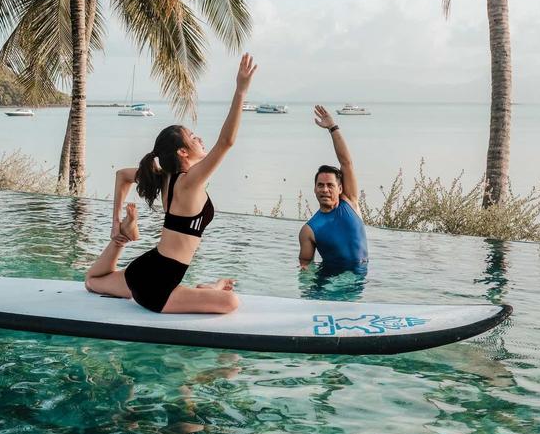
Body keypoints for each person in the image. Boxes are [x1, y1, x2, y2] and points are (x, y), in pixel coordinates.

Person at [84, 54, 258, 314]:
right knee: (230, 303)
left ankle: (122, 239)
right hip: (159, 286)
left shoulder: (163, 177)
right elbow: (226, 143)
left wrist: (115, 224)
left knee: (91, 281)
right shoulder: (189, 182)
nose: (198, 138)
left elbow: (122, 175)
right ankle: (207, 288)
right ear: (183, 153)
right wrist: (240, 92)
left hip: (145, 269)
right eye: (191, 136)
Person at [298, 105, 368, 271]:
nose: (325, 189)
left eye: (330, 185)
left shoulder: (350, 202)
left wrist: (332, 127)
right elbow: (305, 268)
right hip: (330, 283)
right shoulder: (308, 231)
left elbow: (346, 163)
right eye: (320, 185)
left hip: (360, 278)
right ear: (315, 189)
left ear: (340, 188)